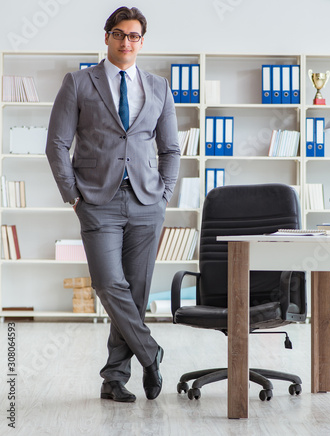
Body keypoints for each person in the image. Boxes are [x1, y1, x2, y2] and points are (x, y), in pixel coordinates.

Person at [46, 6, 180, 402]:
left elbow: (171, 148)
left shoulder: (159, 87)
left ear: (142, 41)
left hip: (145, 200)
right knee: (107, 283)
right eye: (120, 34)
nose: (126, 42)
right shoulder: (78, 82)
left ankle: (114, 379)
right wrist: (72, 194)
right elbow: (56, 144)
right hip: (96, 200)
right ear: (106, 37)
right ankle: (150, 352)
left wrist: (164, 193)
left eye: (134, 36)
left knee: (135, 291)